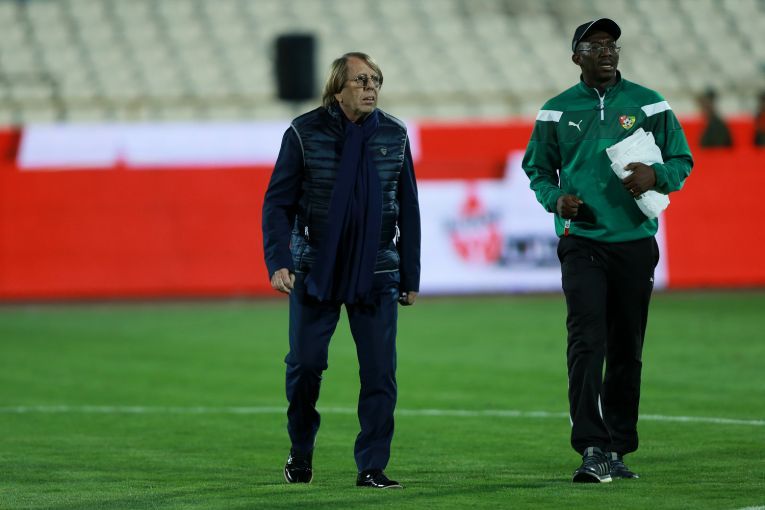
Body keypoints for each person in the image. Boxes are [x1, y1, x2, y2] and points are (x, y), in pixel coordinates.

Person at [521, 18, 693, 483]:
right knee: (585, 343)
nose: (606, 51)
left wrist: (657, 176)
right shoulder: (555, 111)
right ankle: (592, 447)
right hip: (582, 242)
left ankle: (617, 447)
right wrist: (555, 199)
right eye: (595, 45)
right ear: (576, 56)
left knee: (626, 349)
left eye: (611, 44)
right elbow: (537, 169)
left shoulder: (650, 103)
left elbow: (682, 159)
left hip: (634, 242)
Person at [262, 52, 421, 489]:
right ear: (337, 89)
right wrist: (278, 261)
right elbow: (277, 203)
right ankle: (300, 449)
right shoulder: (303, 132)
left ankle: (372, 466)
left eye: (376, 81)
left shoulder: (395, 134)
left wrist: (410, 275)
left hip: (377, 270)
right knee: (305, 365)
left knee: (379, 373)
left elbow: (408, 207)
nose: (371, 88)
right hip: (315, 268)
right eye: (361, 81)